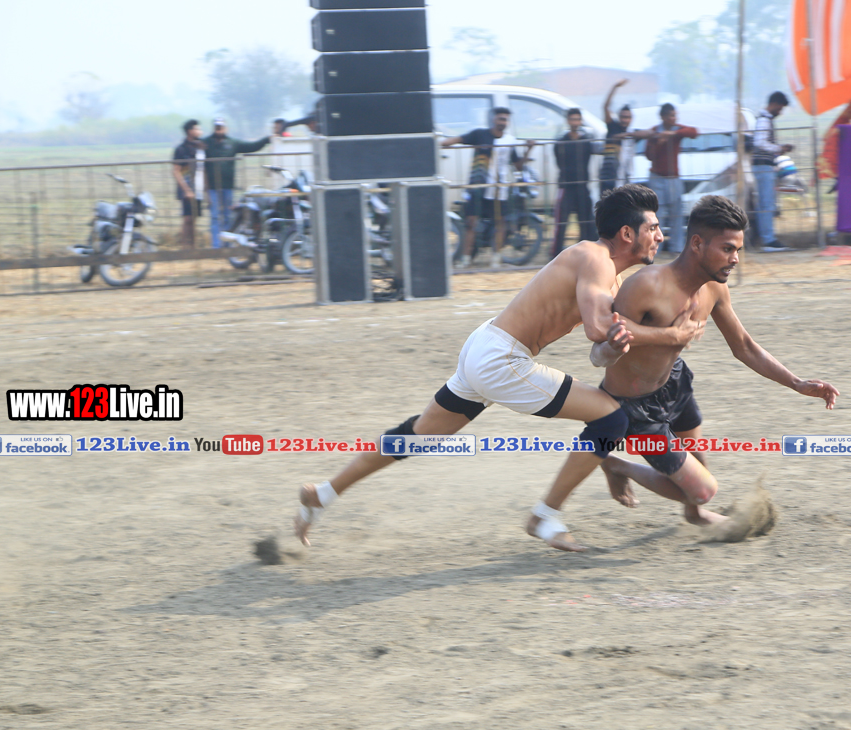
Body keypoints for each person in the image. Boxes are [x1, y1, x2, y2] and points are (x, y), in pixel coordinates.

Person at [294, 184, 706, 548]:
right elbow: (598, 329)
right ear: (627, 234)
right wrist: (673, 335)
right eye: (654, 227)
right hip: (501, 358)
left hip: (486, 346)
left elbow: (603, 344)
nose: (660, 236)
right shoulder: (596, 258)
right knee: (611, 420)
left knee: (417, 435)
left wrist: (632, 341)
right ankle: (545, 516)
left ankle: (323, 494)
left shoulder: (608, 275)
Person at [530, 195, 840, 550]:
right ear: (697, 243)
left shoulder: (714, 288)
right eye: (727, 249)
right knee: (703, 489)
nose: (735, 259)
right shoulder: (647, 285)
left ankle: (693, 514)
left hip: (675, 385)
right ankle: (618, 466)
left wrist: (797, 383)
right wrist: (624, 344)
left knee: (697, 478)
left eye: (738, 250)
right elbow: (599, 352)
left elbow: (744, 346)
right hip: (635, 409)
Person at [440, 107, 534, 268]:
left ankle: (496, 259)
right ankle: (466, 259)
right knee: (471, 223)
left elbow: (517, 166)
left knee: (500, 223)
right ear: (493, 119)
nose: (502, 122)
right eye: (500, 118)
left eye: (505, 119)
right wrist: (438, 144)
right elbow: (457, 140)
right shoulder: (479, 134)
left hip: (498, 188)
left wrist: (528, 150)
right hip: (478, 186)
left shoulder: (509, 141)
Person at [202, 118, 271, 249]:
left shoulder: (233, 143)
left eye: (221, 127)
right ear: (214, 128)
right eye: (217, 127)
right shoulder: (206, 143)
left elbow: (252, 146)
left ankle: (227, 245)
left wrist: (266, 140)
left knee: (228, 216)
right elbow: (195, 150)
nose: (219, 130)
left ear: (225, 129)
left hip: (228, 186)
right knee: (215, 216)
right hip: (212, 187)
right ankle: (216, 247)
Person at [645, 104, 698, 253]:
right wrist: (659, 142)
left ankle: (677, 248)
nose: (674, 118)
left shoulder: (677, 130)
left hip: (674, 178)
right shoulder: (655, 132)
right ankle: (656, 248)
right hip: (657, 177)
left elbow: (694, 132)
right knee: (658, 215)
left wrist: (672, 134)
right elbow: (649, 155)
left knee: (677, 214)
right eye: (671, 116)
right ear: (663, 117)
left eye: (674, 115)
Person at [552, 108, 595, 255]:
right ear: (568, 121)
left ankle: (585, 253)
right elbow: (559, 161)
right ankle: (556, 254)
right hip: (566, 186)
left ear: (580, 121)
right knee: (561, 221)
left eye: (577, 119)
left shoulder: (586, 141)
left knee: (586, 220)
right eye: (572, 119)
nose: (575, 122)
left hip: (582, 185)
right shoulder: (561, 142)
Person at [751, 91, 790, 252]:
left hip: (763, 165)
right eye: (780, 108)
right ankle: (769, 240)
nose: (780, 112)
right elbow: (759, 142)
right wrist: (778, 148)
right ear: (774, 104)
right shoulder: (764, 120)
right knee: (766, 203)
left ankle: (766, 238)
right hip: (763, 166)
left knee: (765, 203)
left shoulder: (764, 119)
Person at [600, 79, 650, 195]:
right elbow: (605, 107)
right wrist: (615, 87)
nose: (624, 120)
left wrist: (626, 135)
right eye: (622, 117)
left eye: (627, 117)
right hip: (608, 175)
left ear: (631, 119)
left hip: (624, 177)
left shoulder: (632, 133)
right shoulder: (612, 126)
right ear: (619, 117)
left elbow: (649, 133)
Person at [171, 119, 205, 250]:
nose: (200, 131)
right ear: (190, 131)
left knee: (194, 217)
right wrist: (186, 190)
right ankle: (185, 246)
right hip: (187, 187)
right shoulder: (181, 149)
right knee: (187, 218)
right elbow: (176, 171)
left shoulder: (200, 148)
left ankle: (193, 246)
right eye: (197, 129)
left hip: (199, 187)